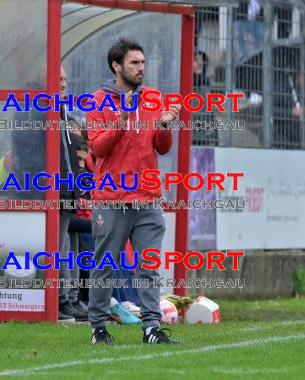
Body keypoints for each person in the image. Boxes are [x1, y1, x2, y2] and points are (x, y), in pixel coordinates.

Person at [86, 37, 181, 344]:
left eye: (143, 62)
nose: (141, 68)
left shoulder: (153, 98)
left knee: (150, 266)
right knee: (104, 266)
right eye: (134, 63)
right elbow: (99, 147)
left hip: (147, 199)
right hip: (112, 199)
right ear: (117, 66)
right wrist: (123, 118)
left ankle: (151, 327)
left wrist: (166, 125)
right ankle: (98, 328)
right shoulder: (98, 101)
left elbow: (161, 147)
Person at [11, 66, 88, 323]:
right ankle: (57, 301)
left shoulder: (61, 108)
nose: (64, 83)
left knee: (67, 241)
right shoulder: (33, 107)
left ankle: (68, 299)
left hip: (64, 189)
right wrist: (42, 185)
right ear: (42, 80)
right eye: (59, 78)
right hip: (46, 189)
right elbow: (31, 153)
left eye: (66, 78)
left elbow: (69, 153)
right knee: (54, 245)